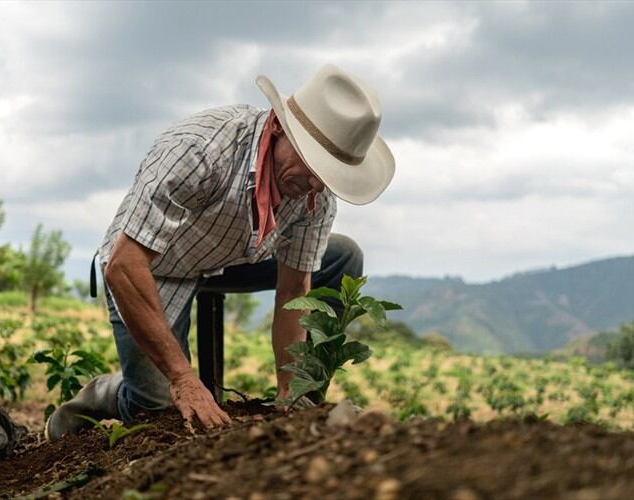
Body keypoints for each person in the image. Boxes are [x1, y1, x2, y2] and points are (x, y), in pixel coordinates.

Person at [45, 64, 395, 440]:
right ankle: (105, 393)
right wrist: (183, 378)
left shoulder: (314, 194)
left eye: (327, 176)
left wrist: (289, 395)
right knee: (158, 409)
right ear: (278, 127)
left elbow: (295, 290)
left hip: (231, 257)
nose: (315, 186)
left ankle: (305, 403)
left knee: (343, 256)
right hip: (153, 265)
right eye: (312, 166)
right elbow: (125, 265)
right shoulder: (200, 150)